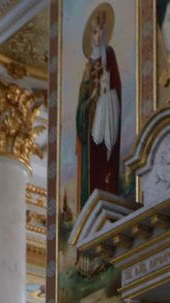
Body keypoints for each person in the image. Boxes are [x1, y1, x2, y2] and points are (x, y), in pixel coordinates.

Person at [76, 8, 122, 204]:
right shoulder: (87, 67)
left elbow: (116, 84)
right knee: (93, 164)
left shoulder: (109, 54)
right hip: (91, 125)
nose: (99, 35)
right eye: (95, 32)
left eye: (101, 30)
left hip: (107, 114)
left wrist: (106, 92)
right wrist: (90, 101)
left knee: (106, 157)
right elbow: (81, 104)